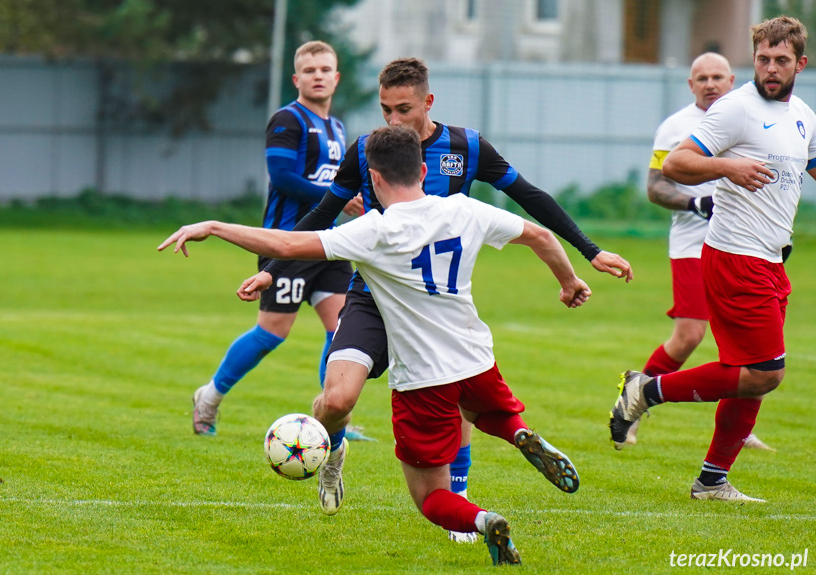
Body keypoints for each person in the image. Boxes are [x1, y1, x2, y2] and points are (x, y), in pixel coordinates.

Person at [159, 125, 589, 566]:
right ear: (423, 169)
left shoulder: (375, 230)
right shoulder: (465, 209)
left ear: (375, 180)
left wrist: (212, 226)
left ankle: (483, 521)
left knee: (431, 498)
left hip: (423, 379)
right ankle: (518, 433)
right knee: (484, 412)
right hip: (478, 361)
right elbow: (540, 235)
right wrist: (569, 280)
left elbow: (287, 242)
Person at [239, 58, 632, 537]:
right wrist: (273, 272)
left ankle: (460, 501)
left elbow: (529, 196)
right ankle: (331, 451)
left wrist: (589, 251)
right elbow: (323, 210)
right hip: (370, 296)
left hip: (433, 300)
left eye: (403, 109)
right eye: (386, 110)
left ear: (428, 102)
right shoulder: (369, 150)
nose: (394, 121)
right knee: (337, 398)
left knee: (451, 390)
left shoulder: (466, 146)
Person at [610, 16, 816, 502]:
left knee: (751, 377)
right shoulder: (735, 109)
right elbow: (678, 164)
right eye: (763, 58)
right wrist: (729, 166)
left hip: (771, 259)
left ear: (799, 64)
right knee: (767, 371)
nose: (770, 68)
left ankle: (711, 480)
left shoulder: (803, 114)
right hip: (734, 255)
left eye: (780, 61)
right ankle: (646, 390)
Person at [190, 40, 371, 441]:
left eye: (325, 69)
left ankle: (332, 420)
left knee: (339, 330)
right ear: (297, 78)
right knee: (272, 333)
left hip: (330, 243)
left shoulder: (337, 127)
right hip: (287, 245)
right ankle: (209, 397)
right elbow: (284, 178)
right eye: (310, 71)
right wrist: (338, 199)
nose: (318, 76)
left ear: (337, 77)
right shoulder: (287, 121)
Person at [628, 52, 773, 452]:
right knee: (690, 334)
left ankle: (737, 430)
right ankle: (635, 401)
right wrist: (695, 204)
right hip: (694, 244)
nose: (710, 83)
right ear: (691, 85)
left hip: (751, 244)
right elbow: (655, 187)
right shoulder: (676, 127)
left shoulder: (752, 116)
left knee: (748, 344)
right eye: (701, 78)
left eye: (717, 77)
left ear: (732, 80)